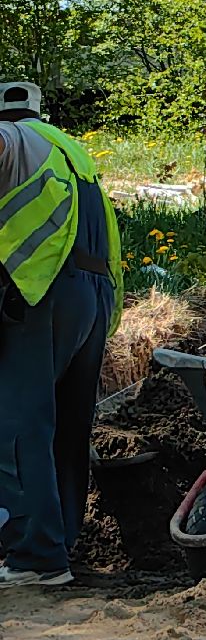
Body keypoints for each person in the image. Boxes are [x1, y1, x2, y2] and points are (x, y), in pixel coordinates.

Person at [0, 81, 122, 590]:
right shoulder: (72, 150)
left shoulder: (12, 140)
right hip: (90, 295)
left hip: (39, 288)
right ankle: (60, 540)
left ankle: (35, 556)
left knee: (17, 424)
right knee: (67, 427)